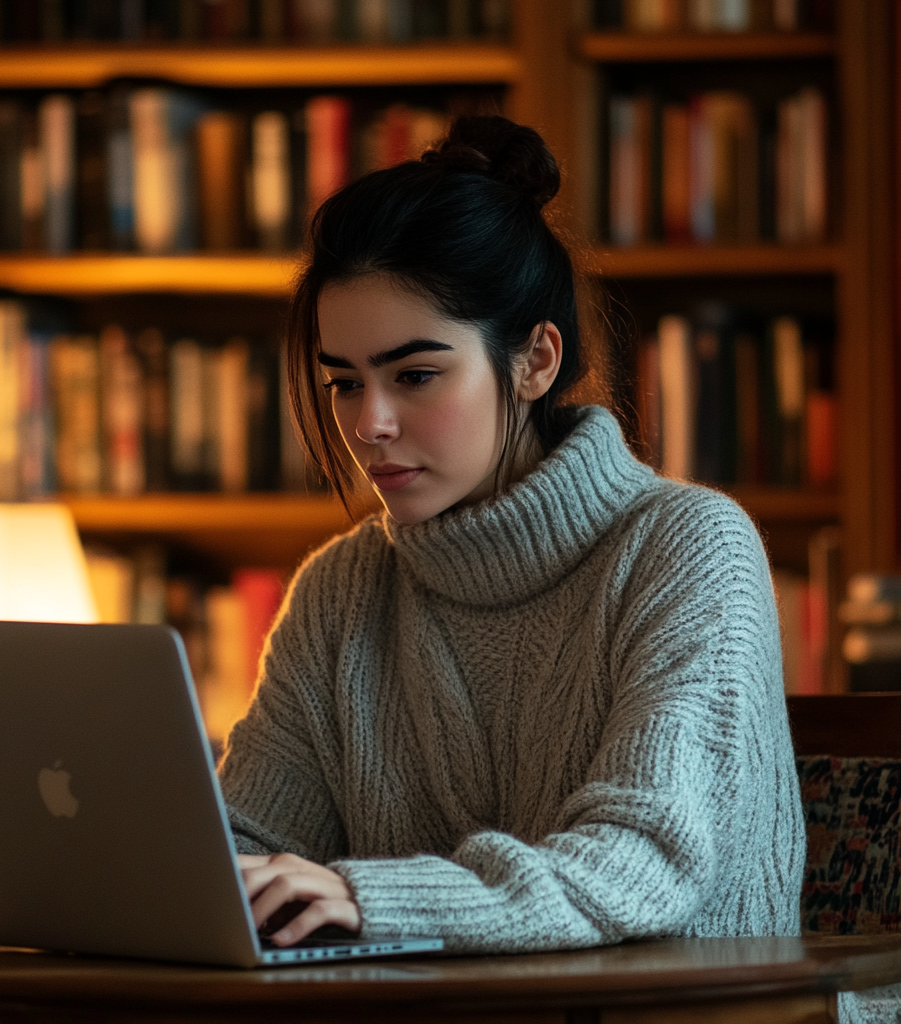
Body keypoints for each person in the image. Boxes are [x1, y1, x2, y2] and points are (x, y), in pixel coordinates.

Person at [220, 115, 805, 953]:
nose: (369, 423)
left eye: (415, 375)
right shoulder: (341, 590)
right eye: (342, 383)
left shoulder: (686, 548)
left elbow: (642, 864)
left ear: (535, 360)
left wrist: (365, 896)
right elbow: (242, 849)